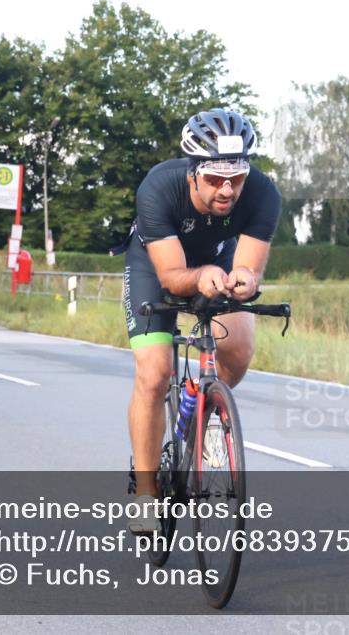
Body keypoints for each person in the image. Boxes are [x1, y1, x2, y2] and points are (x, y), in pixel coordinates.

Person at [120, 108, 281, 534]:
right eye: (214, 179)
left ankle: (206, 414)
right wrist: (201, 278)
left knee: (240, 347)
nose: (227, 189)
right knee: (155, 373)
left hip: (217, 261)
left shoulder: (263, 193)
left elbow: (248, 266)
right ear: (193, 173)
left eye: (237, 177)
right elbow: (173, 276)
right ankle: (146, 492)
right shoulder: (159, 187)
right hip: (156, 266)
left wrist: (244, 279)